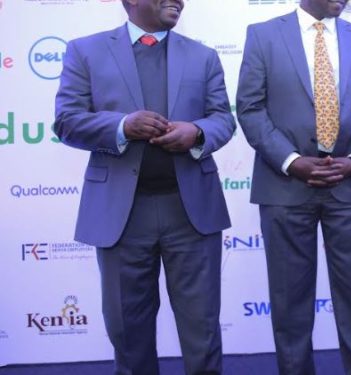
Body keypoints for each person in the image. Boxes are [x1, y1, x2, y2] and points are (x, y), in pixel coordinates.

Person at [53, 0, 235, 373]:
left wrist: (197, 132)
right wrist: (122, 126)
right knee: (127, 330)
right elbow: (67, 121)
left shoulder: (203, 55)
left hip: (191, 213)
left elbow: (223, 119)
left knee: (202, 329)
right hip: (121, 214)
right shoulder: (84, 50)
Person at [235, 0, 351, 373]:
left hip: (350, 186)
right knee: (290, 305)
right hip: (284, 186)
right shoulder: (263, 36)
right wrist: (292, 162)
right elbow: (250, 108)